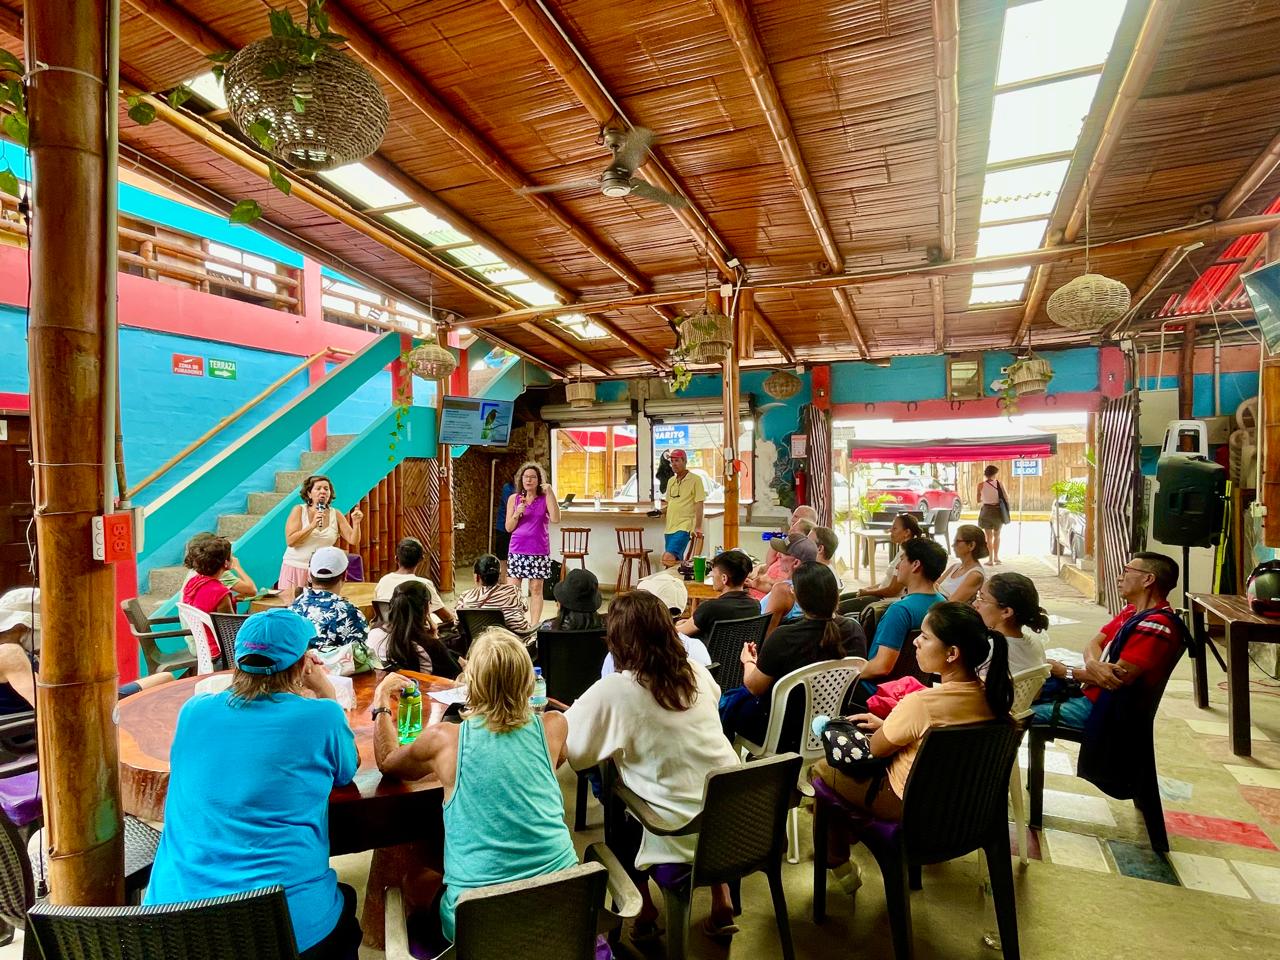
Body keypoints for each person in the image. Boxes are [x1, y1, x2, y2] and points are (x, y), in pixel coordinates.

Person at [145, 609, 361, 958]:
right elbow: (347, 770)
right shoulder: (322, 717)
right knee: (344, 901)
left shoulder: (194, 710)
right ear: (302, 665)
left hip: (173, 928)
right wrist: (325, 691)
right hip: (281, 929)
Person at [372, 628, 578, 946]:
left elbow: (388, 762)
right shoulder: (553, 727)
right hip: (567, 909)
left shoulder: (444, 740)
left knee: (414, 877)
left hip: (479, 927)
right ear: (528, 682)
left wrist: (382, 701)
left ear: (471, 684)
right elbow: (555, 762)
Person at [565, 590, 742, 940]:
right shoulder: (695, 672)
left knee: (619, 806)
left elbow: (577, 753)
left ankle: (644, 907)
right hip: (737, 819)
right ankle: (721, 895)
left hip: (679, 832)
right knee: (692, 779)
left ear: (617, 640)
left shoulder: (615, 690)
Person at [813, 602, 1012, 890]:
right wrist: (890, 724)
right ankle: (845, 838)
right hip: (966, 809)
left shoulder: (921, 703)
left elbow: (876, 749)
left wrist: (888, 725)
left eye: (925, 637)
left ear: (952, 653)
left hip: (909, 807)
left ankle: (837, 861)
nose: (916, 642)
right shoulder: (994, 698)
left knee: (822, 770)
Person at [1031, 552, 1182, 729]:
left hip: (1101, 708)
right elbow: (1094, 643)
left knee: (1013, 713)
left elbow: (1114, 678)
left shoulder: (1155, 625)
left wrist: (1067, 672)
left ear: (1148, 579)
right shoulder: (1131, 611)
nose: (1119, 578)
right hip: (1088, 693)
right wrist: (1093, 664)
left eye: (1126, 571)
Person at [721, 561, 866, 745]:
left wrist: (748, 661)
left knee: (728, 702)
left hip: (781, 732)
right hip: (833, 725)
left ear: (796, 595)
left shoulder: (784, 637)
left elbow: (754, 687)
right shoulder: (854, 630)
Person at [858, 538, 948, 692]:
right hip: (915, 688)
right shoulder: (943, 604)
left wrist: (846, 675)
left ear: (916, 565)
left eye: (902, 559)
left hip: (879, 693)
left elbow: (882, 667)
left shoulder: (900, 610)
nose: (897, 566)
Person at [280, 475, 364, 596]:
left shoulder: (336, 514)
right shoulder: (299, 510)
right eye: (318, 488)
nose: (323, 492)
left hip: (320, 574)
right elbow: (291, 541)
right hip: (296, 568)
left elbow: (353, 540)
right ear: (309, 493)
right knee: (293, 605)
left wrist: (356, 523)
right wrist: (312, 525)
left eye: (326, 489)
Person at [505, 462, 561, 628]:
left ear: (539, 480)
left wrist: (550, 492)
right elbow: (508, 528)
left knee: (536, 588)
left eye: (533, 477)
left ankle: (534, 625)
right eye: (526, 477)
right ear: (521, 479)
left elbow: (556, 519)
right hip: (517, 549)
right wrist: (517, 513)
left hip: (538, 550)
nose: (529, 480)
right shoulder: (514, 499)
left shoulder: (544, 498)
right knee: (513, 591)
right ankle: (516, 624)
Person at [367, 581, 460, 679]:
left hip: (383, 685)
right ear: (426, 608)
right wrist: (435, 639)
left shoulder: (374, 633)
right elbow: (457, 676)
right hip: (421, 688)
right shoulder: (429, 646)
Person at [842, 513, 926, 615]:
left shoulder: (907, 556)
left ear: (907, 532)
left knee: (838, 608)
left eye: (894, 528)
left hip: (885, 600)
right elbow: (888, 582)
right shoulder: (902, 551)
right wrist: (870, 588)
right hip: (880, 594)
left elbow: (892, 590)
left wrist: (868, 592)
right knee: (840, 599)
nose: (890, 531)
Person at [289, 546, 369, 650]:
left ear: (309, 575)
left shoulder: (294, 607)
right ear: (345, 575)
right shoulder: (350, 613)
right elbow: (361, 654)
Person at [974, 572, 1049, 678]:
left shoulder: (988, 650)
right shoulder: (1036, 643)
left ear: (1006, 612)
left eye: (982, 599)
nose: (975, 604)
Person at [374, 537, 456, 633]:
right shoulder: (423, 585)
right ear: (421, 559)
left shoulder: (384, 580)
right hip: (414, 636)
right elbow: (447, 618)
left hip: (387, 633)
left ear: (396, 559)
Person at [180, 534, 236, 664]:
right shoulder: (219, 592)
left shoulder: (193, 583)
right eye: (231, 556)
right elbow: (230, 629)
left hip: (203, 648)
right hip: (220, 653)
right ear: (226, 563)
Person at [677, 550, 759, 639]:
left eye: (713, 573)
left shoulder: (710, 608)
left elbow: (677, 633)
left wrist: (674, 624)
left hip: (705, 648)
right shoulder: (755, 606)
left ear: (724, 578)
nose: (711, 576)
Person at [456, 553, 533, 638]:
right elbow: (525, 608)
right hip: (514, 642)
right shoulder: (513, 591)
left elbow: (457, 621)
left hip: (480, 643)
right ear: (498, 575)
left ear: (477, 577)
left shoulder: (465, 597)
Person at [747, 506, 818, 596]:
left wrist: (762, 582)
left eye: (796, 517)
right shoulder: (787, 544)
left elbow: (785, 588)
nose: (792, 519)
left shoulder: (798, 563)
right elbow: (768, 564)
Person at [760, 533, 819, 630]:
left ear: (796, 563)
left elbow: (766, 632)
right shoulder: (813, 587)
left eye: (783, 553)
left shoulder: (783, 591)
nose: (778, 555)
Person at [660, 449, 705, 566]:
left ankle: (684, 571)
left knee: (667, 558)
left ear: (685, 461)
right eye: (672, 461)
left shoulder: (695, 480)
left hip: (684, 527)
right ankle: (682, 574)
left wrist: (698, 526)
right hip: (670, 527)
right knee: (673, 561)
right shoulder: (671, 481)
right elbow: (670, 504)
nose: (674, 464)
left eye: (677, 460)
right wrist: (659, 512)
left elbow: (699, 503)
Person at [182, 531, 257, 601]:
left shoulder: (198, 570)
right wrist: (237, 567)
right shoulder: (217, 572)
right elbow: (252, 590)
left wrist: (230, 600)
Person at [936, 524, 987, 605]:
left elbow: (952, 603)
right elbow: (932, 586)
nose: (953, 545)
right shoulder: (955, 567)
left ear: (971, 545)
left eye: (957, 542)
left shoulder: (975, 575)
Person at [976, 465, 1007, 566]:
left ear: (986, 474)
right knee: (997, 535)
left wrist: (985, 498)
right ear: (994, 474)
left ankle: (990, 559)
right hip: (997, 511)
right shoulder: (999, 484)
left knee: (988, 537)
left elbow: (978, 500)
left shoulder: (980, 485)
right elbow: (1006, 498)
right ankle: (996, 557)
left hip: (986, 511)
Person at [494, 478, 516, 580]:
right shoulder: (508, 488)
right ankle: (503, 580)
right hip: (503, 526)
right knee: (503, 556)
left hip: (516, 528)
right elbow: (510, 504)